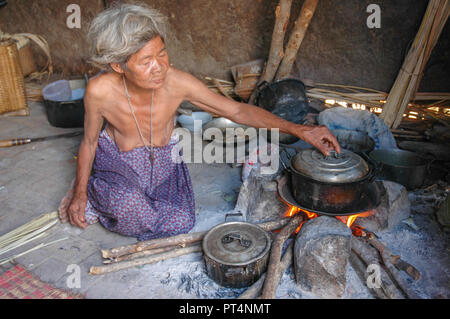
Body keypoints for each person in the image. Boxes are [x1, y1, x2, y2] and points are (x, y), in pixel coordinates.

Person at [60, 3, 340, 241]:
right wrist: (79, 193)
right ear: (118, 66)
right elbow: (89, 141)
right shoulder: (100, 91)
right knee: (129, 206)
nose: (159, 67)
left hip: (163, 162)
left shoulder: (176, 82)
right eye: (145, 61)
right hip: (119, 162)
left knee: (182, 221)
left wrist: (302, 130)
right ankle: (99, 190)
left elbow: (239, 112)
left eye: (162, 54)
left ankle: (121, 200)